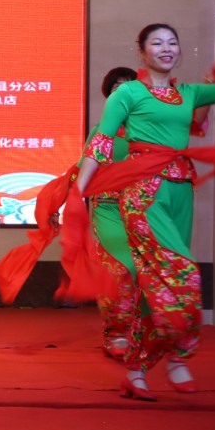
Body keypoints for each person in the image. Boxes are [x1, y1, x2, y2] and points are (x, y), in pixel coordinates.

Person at [76, 23, 215, 400]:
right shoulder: (128, 93)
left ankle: (137, 370)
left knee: (155, 284)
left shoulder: (190, 94)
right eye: (157, 43)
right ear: (142, 51)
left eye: (172, 42)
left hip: (180, 190)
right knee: (184, 274)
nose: (166, 48)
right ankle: (178, 356)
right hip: (143, 194)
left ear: (179, 50)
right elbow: (100, 144)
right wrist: (77, 195)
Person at [85, 67, 138, 359]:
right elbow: (82, 169)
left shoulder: (147, 131)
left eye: (129, 86)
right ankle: (115, 331)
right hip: (108, 209)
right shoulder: (102, 131)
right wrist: (61, 201)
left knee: (144, 271)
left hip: (143, 210)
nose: (123, 92)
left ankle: (137, 332)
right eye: (117, 87)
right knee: (120, 269)